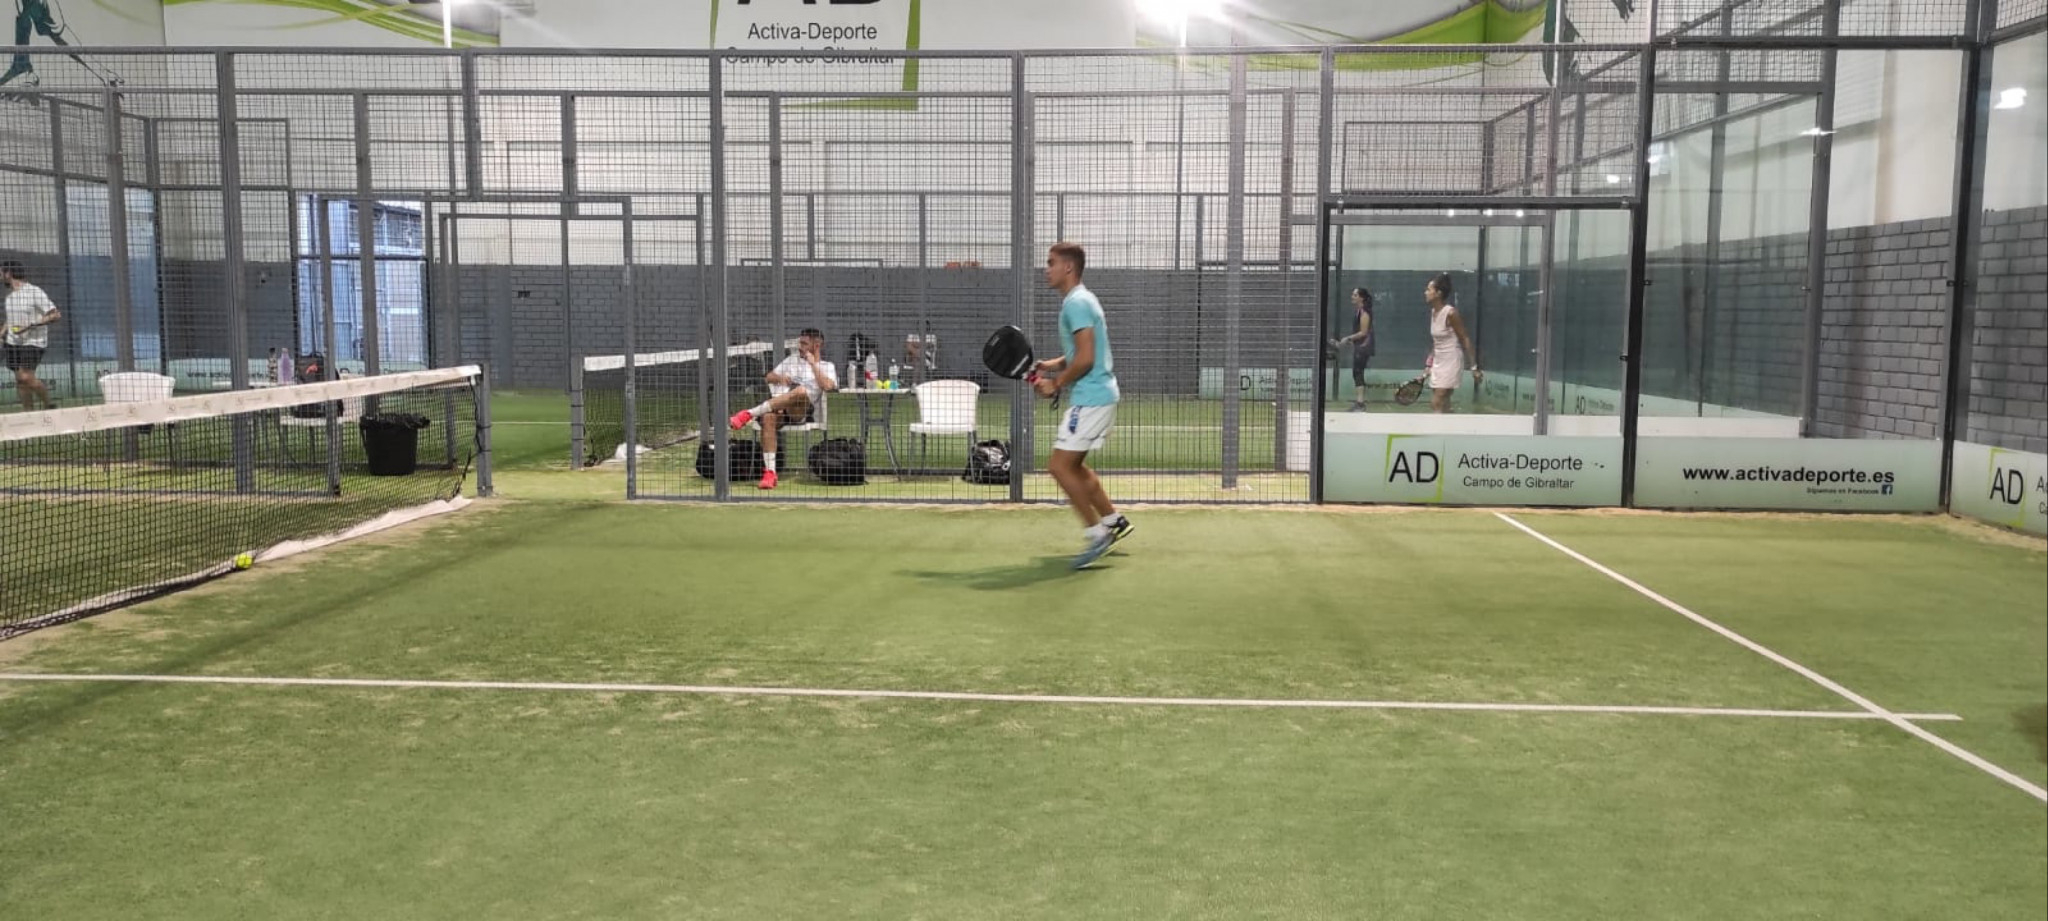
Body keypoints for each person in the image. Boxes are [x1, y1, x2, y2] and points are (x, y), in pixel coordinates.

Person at [1035, 242, 1131, 569]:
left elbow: (1087, 359)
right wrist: (1053, 364)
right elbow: (1083, 350)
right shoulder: (1083, 299)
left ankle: (1097, 534)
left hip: (1091, 398)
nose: (1046, 269)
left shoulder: (1075, 304)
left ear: (1068, 267)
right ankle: (1113, 520)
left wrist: (1056, 383)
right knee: (1074, 466)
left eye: (1051, 263)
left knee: (1059, 467)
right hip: (1100, 394)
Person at [729, 327, 836, 490]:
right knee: (767, 418)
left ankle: (749, 413)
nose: (800, 346)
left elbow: (828, 386)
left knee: (801, 391)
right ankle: (770, 473)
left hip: (801, 410)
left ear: (817, 345)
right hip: (779, 408)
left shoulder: (827, 366)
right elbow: (768, 377)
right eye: (800, 342)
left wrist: (813, 364)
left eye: (804, 343)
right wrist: (780, 378)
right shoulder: (791, 360)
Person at [4, 260, 60, 411]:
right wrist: (2, 333)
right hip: (13, 342)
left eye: (1, 272)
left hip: (34, 341)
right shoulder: (9, 297)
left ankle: (49, 404)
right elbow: (10, 320)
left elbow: (55, 315)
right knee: (20, 381)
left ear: (8, 274)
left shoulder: (34, 292)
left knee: (26, 377)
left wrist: (30, 325)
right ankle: (28, 414)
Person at [1423, 272, 1481, 414]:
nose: (1425, 292)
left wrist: (1474, 367)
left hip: (1452, 361)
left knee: (1436, 402)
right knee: (1444, 405)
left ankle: (1436, 428)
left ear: (1438, 293)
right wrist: (1429, 364)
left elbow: (1465, 338)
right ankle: (1451, 426)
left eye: (1429, 289)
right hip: (1438, 362)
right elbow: (1436, 342)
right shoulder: (1433, 312)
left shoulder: (1451, 313)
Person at [1331, 286, 1375, 411]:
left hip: (1364, 347)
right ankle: (1359, 403)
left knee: (1358, 372)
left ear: (1361, 298)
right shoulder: (1359, 311)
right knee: (1357, 372)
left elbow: (1364, 332)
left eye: (1355, 295)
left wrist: (1348, 338)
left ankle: (1360, 404)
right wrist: (1347, 342)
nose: (1352, 297)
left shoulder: (1364, 312)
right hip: (1361, 346)